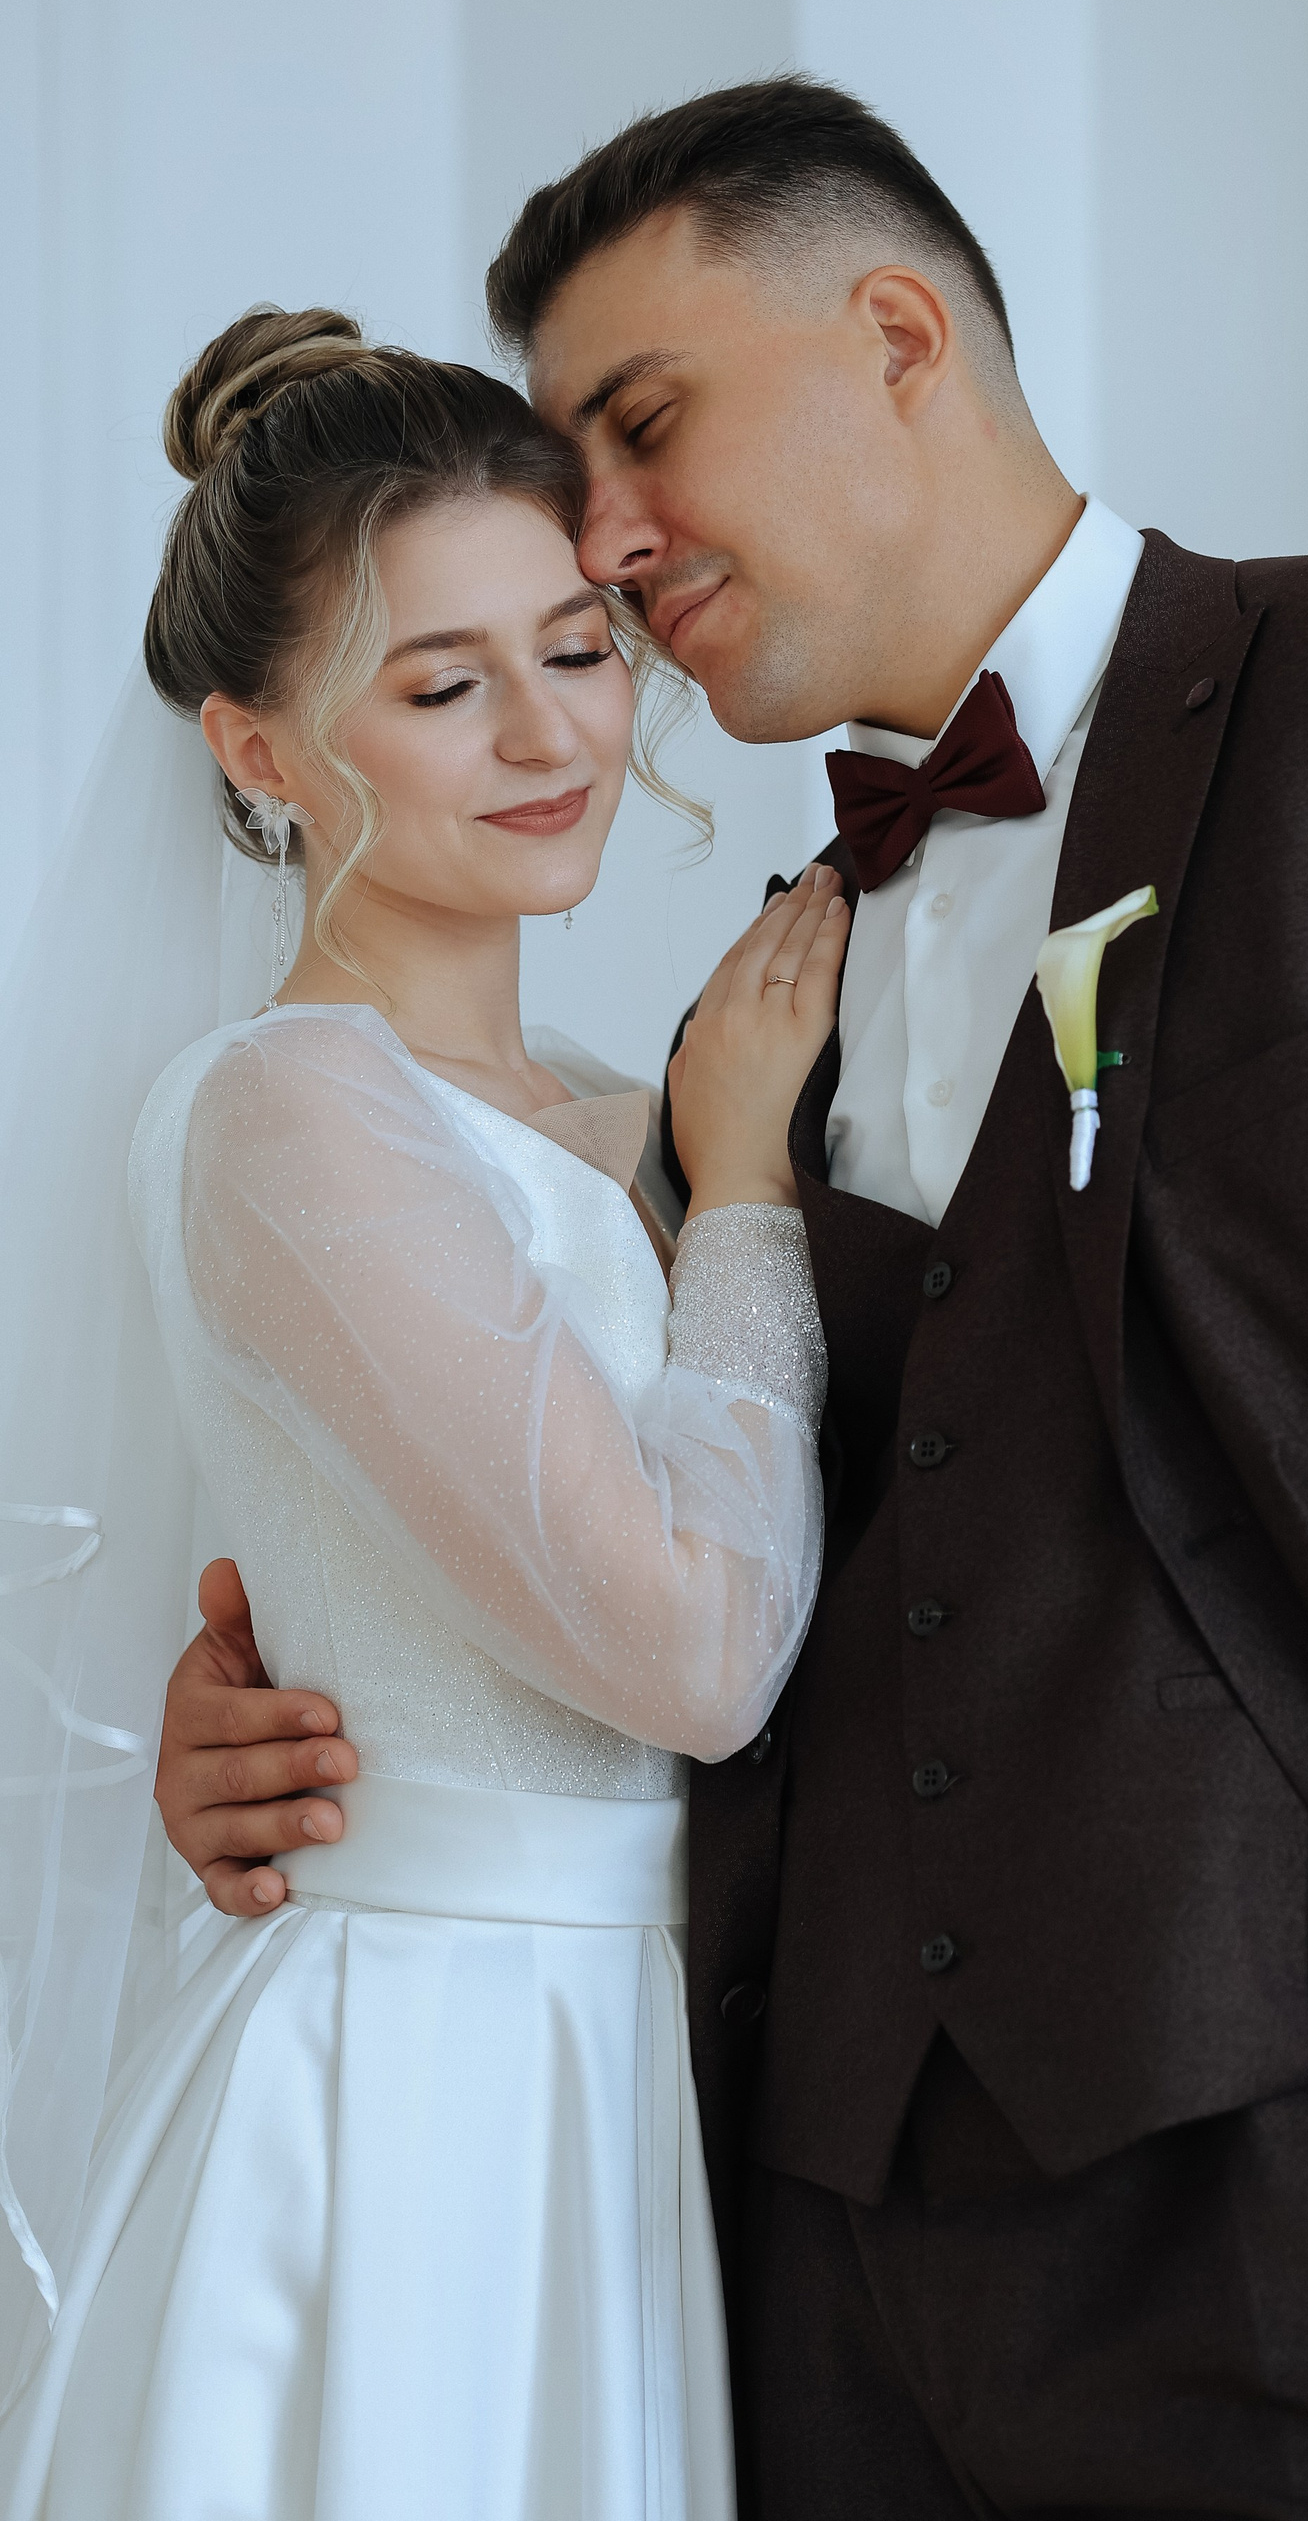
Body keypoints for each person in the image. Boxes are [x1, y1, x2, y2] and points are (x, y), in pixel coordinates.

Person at [155, 87, 1308, 2519]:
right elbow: (750, 1525)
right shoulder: (757, 1002)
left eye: (644, 425)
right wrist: (314, 1725)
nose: (610, 535)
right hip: (810, 2290)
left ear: (899, 335)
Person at [0, 306, 849, 2521]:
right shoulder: (293, 1112)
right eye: (443, 686)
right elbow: (692, 1653)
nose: (551, 733)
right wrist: (749, 1196)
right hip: (429, 2075)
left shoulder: (619, 1102)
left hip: (650, 2056)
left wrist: (710, 1157)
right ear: (259, 750)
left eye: (578, 648)